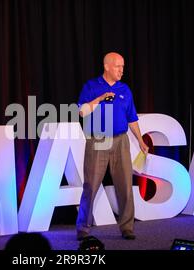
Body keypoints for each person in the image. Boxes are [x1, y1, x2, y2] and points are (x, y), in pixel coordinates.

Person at [76, 52, 148, 241]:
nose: (121, 70)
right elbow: (82, 112)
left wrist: (140, 140)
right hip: (98, 140)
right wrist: (99, 99)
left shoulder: (125, 89)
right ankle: (83, 227)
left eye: (123, 67)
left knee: (125, 184)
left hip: (120, 141)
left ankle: (127, 227)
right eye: (118, 66)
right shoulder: (91, 86)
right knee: (91, 185)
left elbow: (132, 118)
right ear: (107, 66)